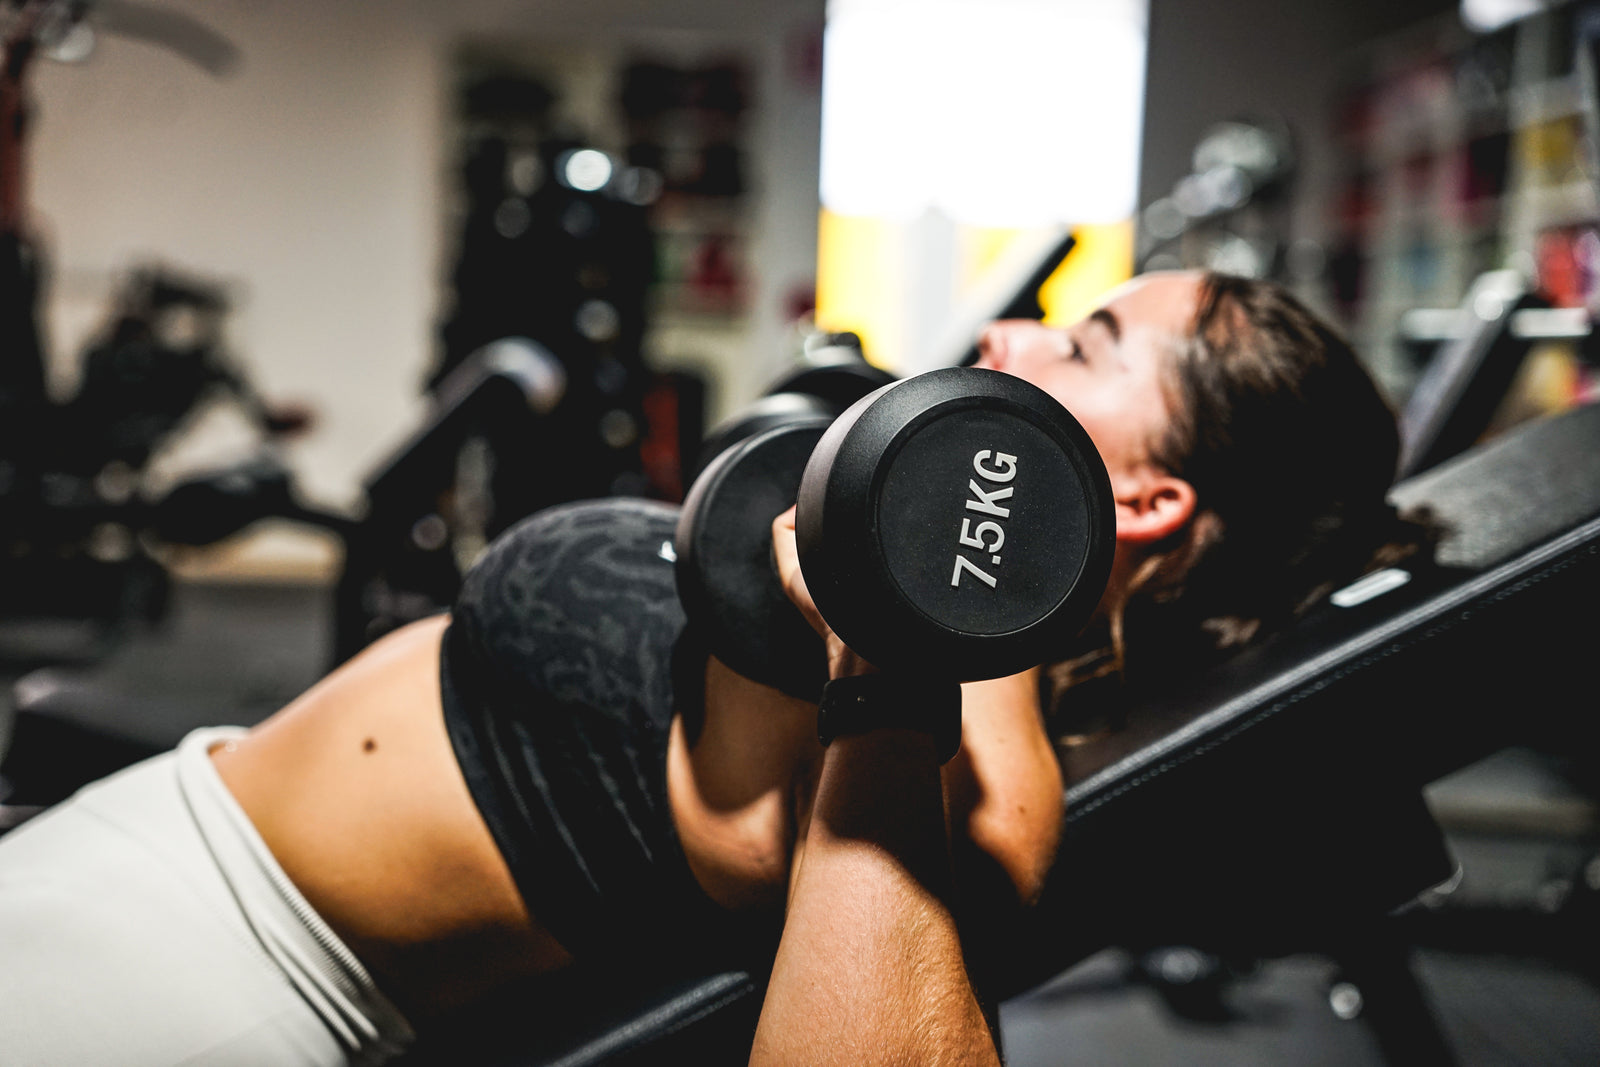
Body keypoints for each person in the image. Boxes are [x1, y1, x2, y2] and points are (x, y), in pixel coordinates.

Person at [0, 271, 1427, 1065]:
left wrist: (923, 635)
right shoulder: (884, 569)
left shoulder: (977, 761)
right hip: (163, 827)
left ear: (1147, 499)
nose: (1010, 336)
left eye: (1088, 342)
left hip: (212, 972)